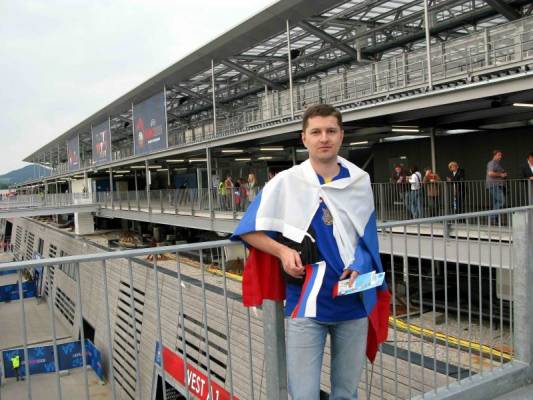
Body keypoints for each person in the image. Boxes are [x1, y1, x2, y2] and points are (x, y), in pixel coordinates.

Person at [232, 104, 389, 400]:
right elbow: (248, 229)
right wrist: (280, 251)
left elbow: (368, 240)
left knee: (346, 393)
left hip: (353, 301)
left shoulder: (359, 181)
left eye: (331, 131)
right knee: (303, 395)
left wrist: (360, 261)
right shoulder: (286, 182)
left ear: (341, 136)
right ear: (304, 138)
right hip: (306, 305)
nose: (324, 138)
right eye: (316, 132)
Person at [486, 150, 507, 223]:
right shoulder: (492, 163)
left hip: (498, 185)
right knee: (501, 201)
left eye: (501, 155)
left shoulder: (497, 164)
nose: (501, 157)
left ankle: (495, 220)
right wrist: (501, 175)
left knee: (497, 202)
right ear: (495, 155)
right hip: (494, 185)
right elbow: (490, 173)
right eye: (499, 155)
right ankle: (492, 217)